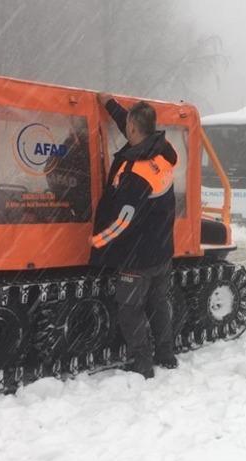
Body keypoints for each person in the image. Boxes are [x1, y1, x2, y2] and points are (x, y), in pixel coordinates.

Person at [89, 94, 178, 379]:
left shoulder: (135, 174)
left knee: (130, 310)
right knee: (158, 303)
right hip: (162, 250)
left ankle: (142, 363)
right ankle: (166, 353)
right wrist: (111, 104)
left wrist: (98, 242)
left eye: (127, 125)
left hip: (136, 257)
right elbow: (133, 127)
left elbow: (123, 220)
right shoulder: (163, 152)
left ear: (133, 130)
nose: (126, 129)